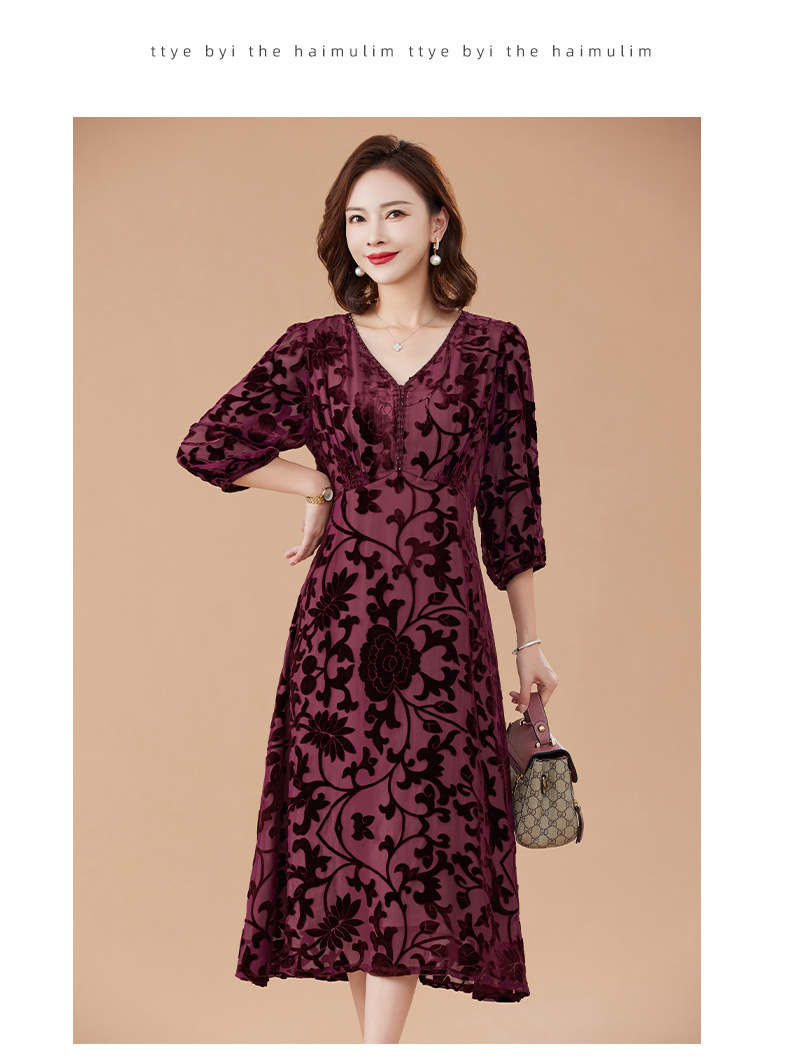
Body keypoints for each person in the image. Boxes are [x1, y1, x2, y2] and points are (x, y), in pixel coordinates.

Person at [176, 134, 558, 1044]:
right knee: (360, 860)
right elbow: (207, 445)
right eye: (356, 218)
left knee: (414, 851)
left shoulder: (494, 350)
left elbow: (512, 508)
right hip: (340, 633)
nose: (374, 234)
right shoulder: (313, 349)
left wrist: (530, 644)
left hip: (446, 635)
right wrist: (315, 483)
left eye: (394, 213)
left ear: (438, 224)